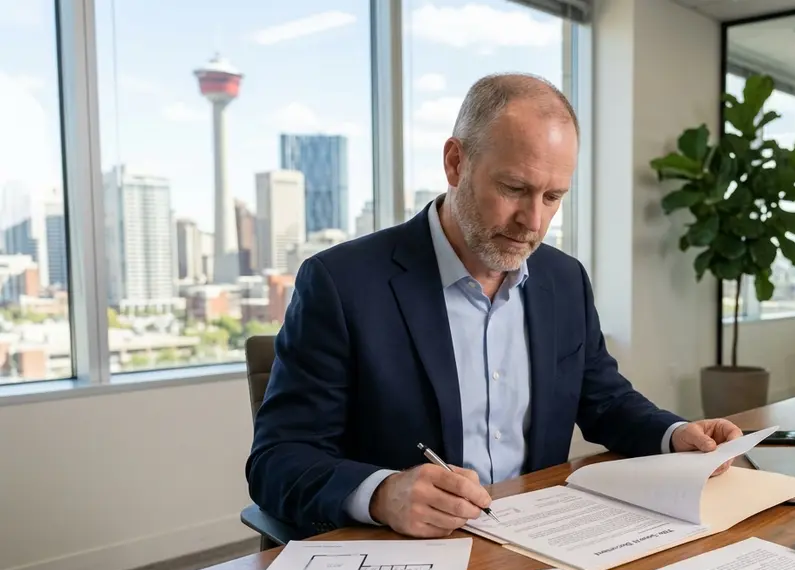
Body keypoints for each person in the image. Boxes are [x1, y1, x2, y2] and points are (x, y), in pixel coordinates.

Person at [247, 73, 743, 539]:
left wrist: (674, 433)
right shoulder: (341, 283)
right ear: (455, 163)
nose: (533, 221)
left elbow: (605, 400)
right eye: (514, 189)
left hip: (541, 539)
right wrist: (382, 494)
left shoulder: (564, 279)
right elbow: (278, 459)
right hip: (409, 554)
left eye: (553, 197)